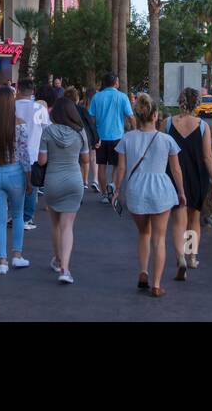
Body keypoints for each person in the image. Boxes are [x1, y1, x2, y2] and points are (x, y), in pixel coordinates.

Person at [113, 94, 186, 297]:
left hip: (136, 189)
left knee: (144, 233)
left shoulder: (127, 138)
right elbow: (176, 170)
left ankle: (143, 272)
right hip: (161, 190)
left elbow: (121, 168)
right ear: (155, 115)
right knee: (159, 238)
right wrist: (181, 192)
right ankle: (156, 284)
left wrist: (117, 190)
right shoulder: (167, 140)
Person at [165, 88, 212, 280]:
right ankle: (192, 257)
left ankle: (180, 258)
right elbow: (207, 157)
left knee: (178, 220)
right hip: (197, 176)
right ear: (196, 104)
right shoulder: (202, 126)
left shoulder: (168, 123)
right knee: (193, 219)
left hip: (174, 176)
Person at [38, 95, 90, 284]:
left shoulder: (48, 132)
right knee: (68, 226)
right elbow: (85, 160)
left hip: (53, 181)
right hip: (74, 182)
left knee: (55, 225)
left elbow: (42, 160)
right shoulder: (80, 132)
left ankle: (57, 258)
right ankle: (65, 269)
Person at [0, 87, 31, 275]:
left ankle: (2, 260)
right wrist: (28, 179)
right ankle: (17, 256)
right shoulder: (19, 125)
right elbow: (25, 155)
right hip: (15, 172)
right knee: (18, 214)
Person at [88, 73, 133, 202]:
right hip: (117, 137)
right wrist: (136, 130)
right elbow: (130, 116)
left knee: (101, 165)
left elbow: (92, 118)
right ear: (115, 83)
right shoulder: (122, 97)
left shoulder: (97, 97)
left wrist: (93, 135)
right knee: (117, 165)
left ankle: (105, 194)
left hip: (101, 137)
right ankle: (112, 188)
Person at [15, 78, 51, 230]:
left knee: (15, 187)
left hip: (13, 153)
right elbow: (47, 129)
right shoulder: (39, 108)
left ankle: (15, 216)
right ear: (33, 92)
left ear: (18, 89)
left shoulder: (10, 106)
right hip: (33, 153)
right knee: (31, 187)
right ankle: (27, 218)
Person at [67, 86, 100, 191]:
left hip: (69, 137)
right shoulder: (82, 109)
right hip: (85, 136)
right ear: (76, 98)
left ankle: (77, 181)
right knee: (87, 159)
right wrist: (96, 138)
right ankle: (85, 181)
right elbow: (90, 124)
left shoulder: (64, 110)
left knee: (76, 160)